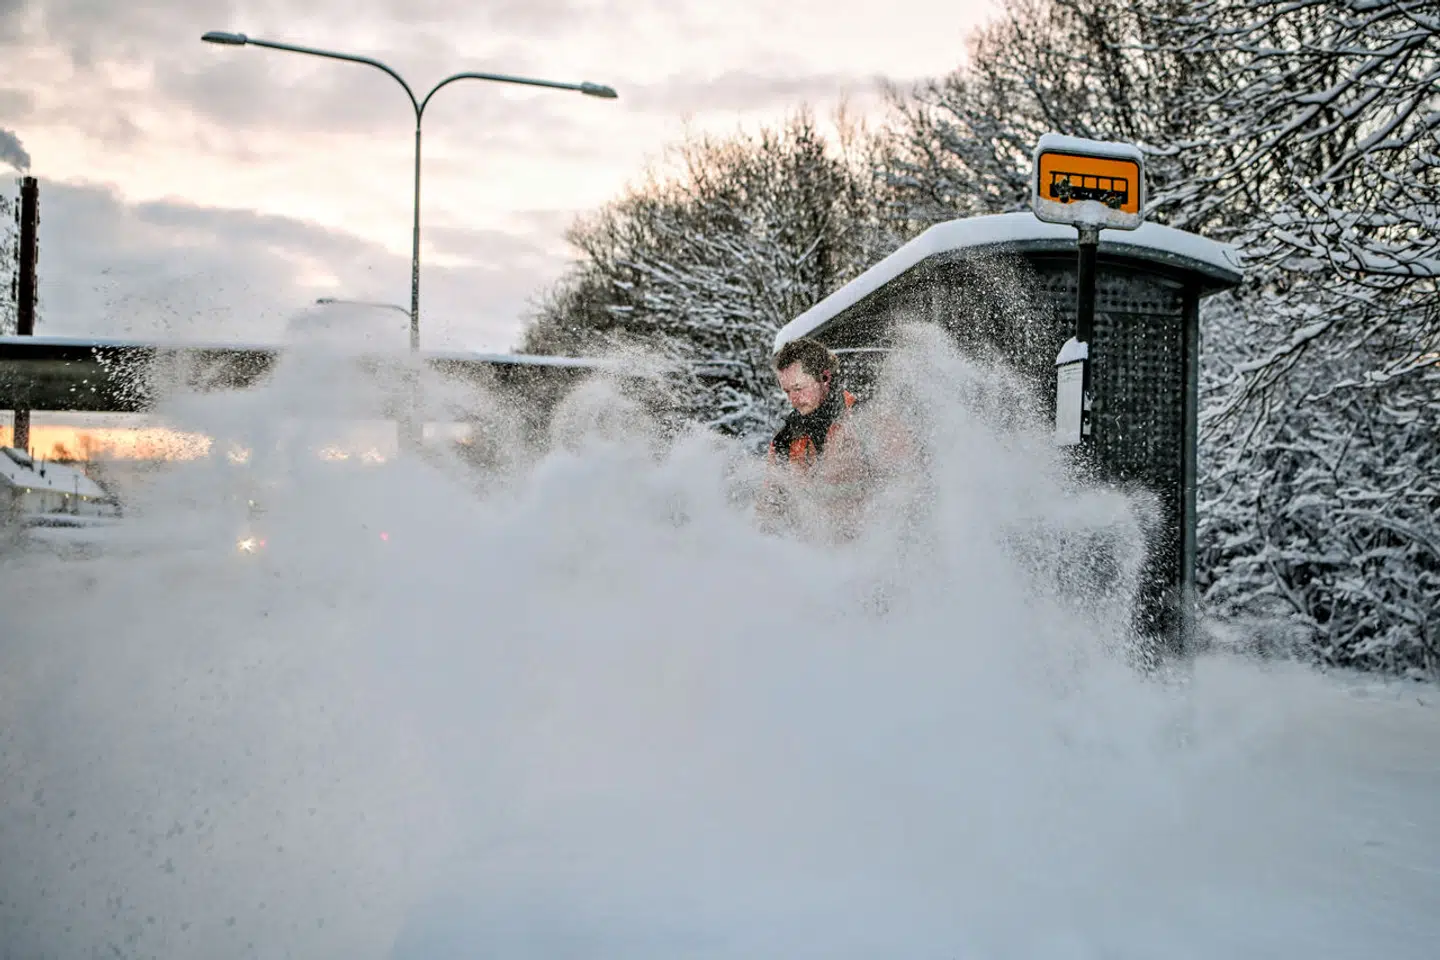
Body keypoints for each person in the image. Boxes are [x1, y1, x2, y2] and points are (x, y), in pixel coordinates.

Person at [758, 338, 869, 537]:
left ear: (824, 377)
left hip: (871, 550)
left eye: (799, 388)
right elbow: (770, 510)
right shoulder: (785, 442)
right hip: (813, 558)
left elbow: (906, 485)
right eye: (787, 391)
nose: (793, 400)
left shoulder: (867, 419)